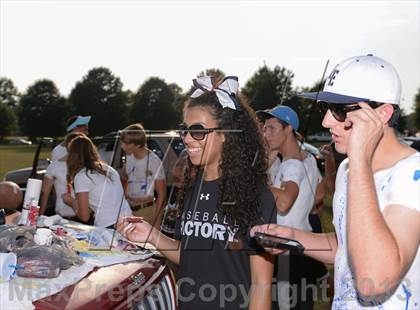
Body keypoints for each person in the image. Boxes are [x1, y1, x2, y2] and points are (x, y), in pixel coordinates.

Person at [252, 54, 420, 309]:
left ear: (383, 114)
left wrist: (361, 162)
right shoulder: (347, 169)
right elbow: (347, 246)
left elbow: (373, 281)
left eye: (339, 111)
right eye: (325, 109)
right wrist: (292, 237)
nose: (326, 121)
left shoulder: (412, 174)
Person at [117, 76, 277, 309]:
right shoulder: (193, 188)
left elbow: (261, 284)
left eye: (198, 131)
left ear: (226, 134)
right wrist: (152, 236)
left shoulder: (256, 196)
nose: (187, 138)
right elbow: (191, 256)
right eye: (184, 130)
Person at [258, 105, 325, 309]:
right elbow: (320, 193)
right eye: (264, 128)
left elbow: (285, 202)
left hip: (287, 249)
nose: (265, 133)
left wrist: (258, 185)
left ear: (288, 130)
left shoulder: (291, 164)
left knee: (284, 304)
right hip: (304, 247)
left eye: (271, 128)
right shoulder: (308, 159)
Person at [62, 135, 132, 228]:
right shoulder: (108, 169)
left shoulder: (82, 176)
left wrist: (70, 201)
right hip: (129, 220)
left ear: (72, 155)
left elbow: (84, 216)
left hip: (109, 225)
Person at [120, 123, 166, 229]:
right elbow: (125, 178)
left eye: (126, 144)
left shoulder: (153, 161)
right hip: (128, 211)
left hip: (146, 212)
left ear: (136, 145)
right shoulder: (129, 156)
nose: (122, 146)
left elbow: (162, 194)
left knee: (143, 245)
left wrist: (156, 223)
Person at [39, 132, 84, 218]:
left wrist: (40, 215)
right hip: (81, 216)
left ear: (67, 146)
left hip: (65, 216)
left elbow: (45, 194)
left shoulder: (54, 166)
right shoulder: (88, 167)